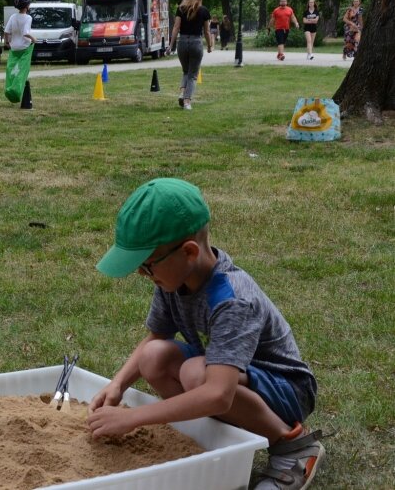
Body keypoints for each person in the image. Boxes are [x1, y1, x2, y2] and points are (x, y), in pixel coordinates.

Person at [87, 177, 328, 490]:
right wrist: (117, 385)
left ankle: (291, 446)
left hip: (285, 389)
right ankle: (218, 437)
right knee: (154, 357)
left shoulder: (233, 299)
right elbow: (155, 337)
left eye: (147, 266)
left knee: (197, 376)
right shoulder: (171, 279)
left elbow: (217, 393)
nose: (141, 274)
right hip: (230, 377)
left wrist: (134, 418)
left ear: (188, 252)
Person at [167, 0, 212, 111]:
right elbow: (207, 32)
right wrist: (209, 46)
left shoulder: (180, 9)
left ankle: (182, 93)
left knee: (186, 71)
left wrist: (171, 45)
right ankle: (187, 101)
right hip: (196, 43)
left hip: (182, 43)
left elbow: (176, 27)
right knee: (193, 74)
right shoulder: (204, 10)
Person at [4, 0, 36, 104]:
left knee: (12, 68)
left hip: (14, 48)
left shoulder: (13, 17)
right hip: (24, 48)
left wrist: (7, 42)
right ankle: (16, 91)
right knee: (22, 70)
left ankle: (10, 88)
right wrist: (34, 39)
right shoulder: (28, 18)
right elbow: (25, 33)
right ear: (27, 6)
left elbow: (6, 32)